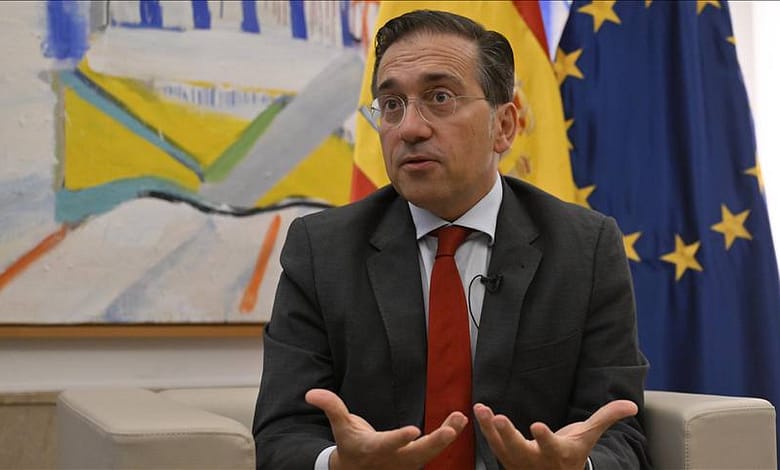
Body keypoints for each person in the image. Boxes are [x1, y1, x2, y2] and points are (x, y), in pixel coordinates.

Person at [253, 9, 651, 470]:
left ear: (504, 126)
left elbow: (620, 434)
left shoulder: (584, 248)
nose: (409, 128)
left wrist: (575, 467)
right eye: (391, 105)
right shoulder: (322, 249)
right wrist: (338, 465)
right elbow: (281, 433)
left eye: (439, 97)